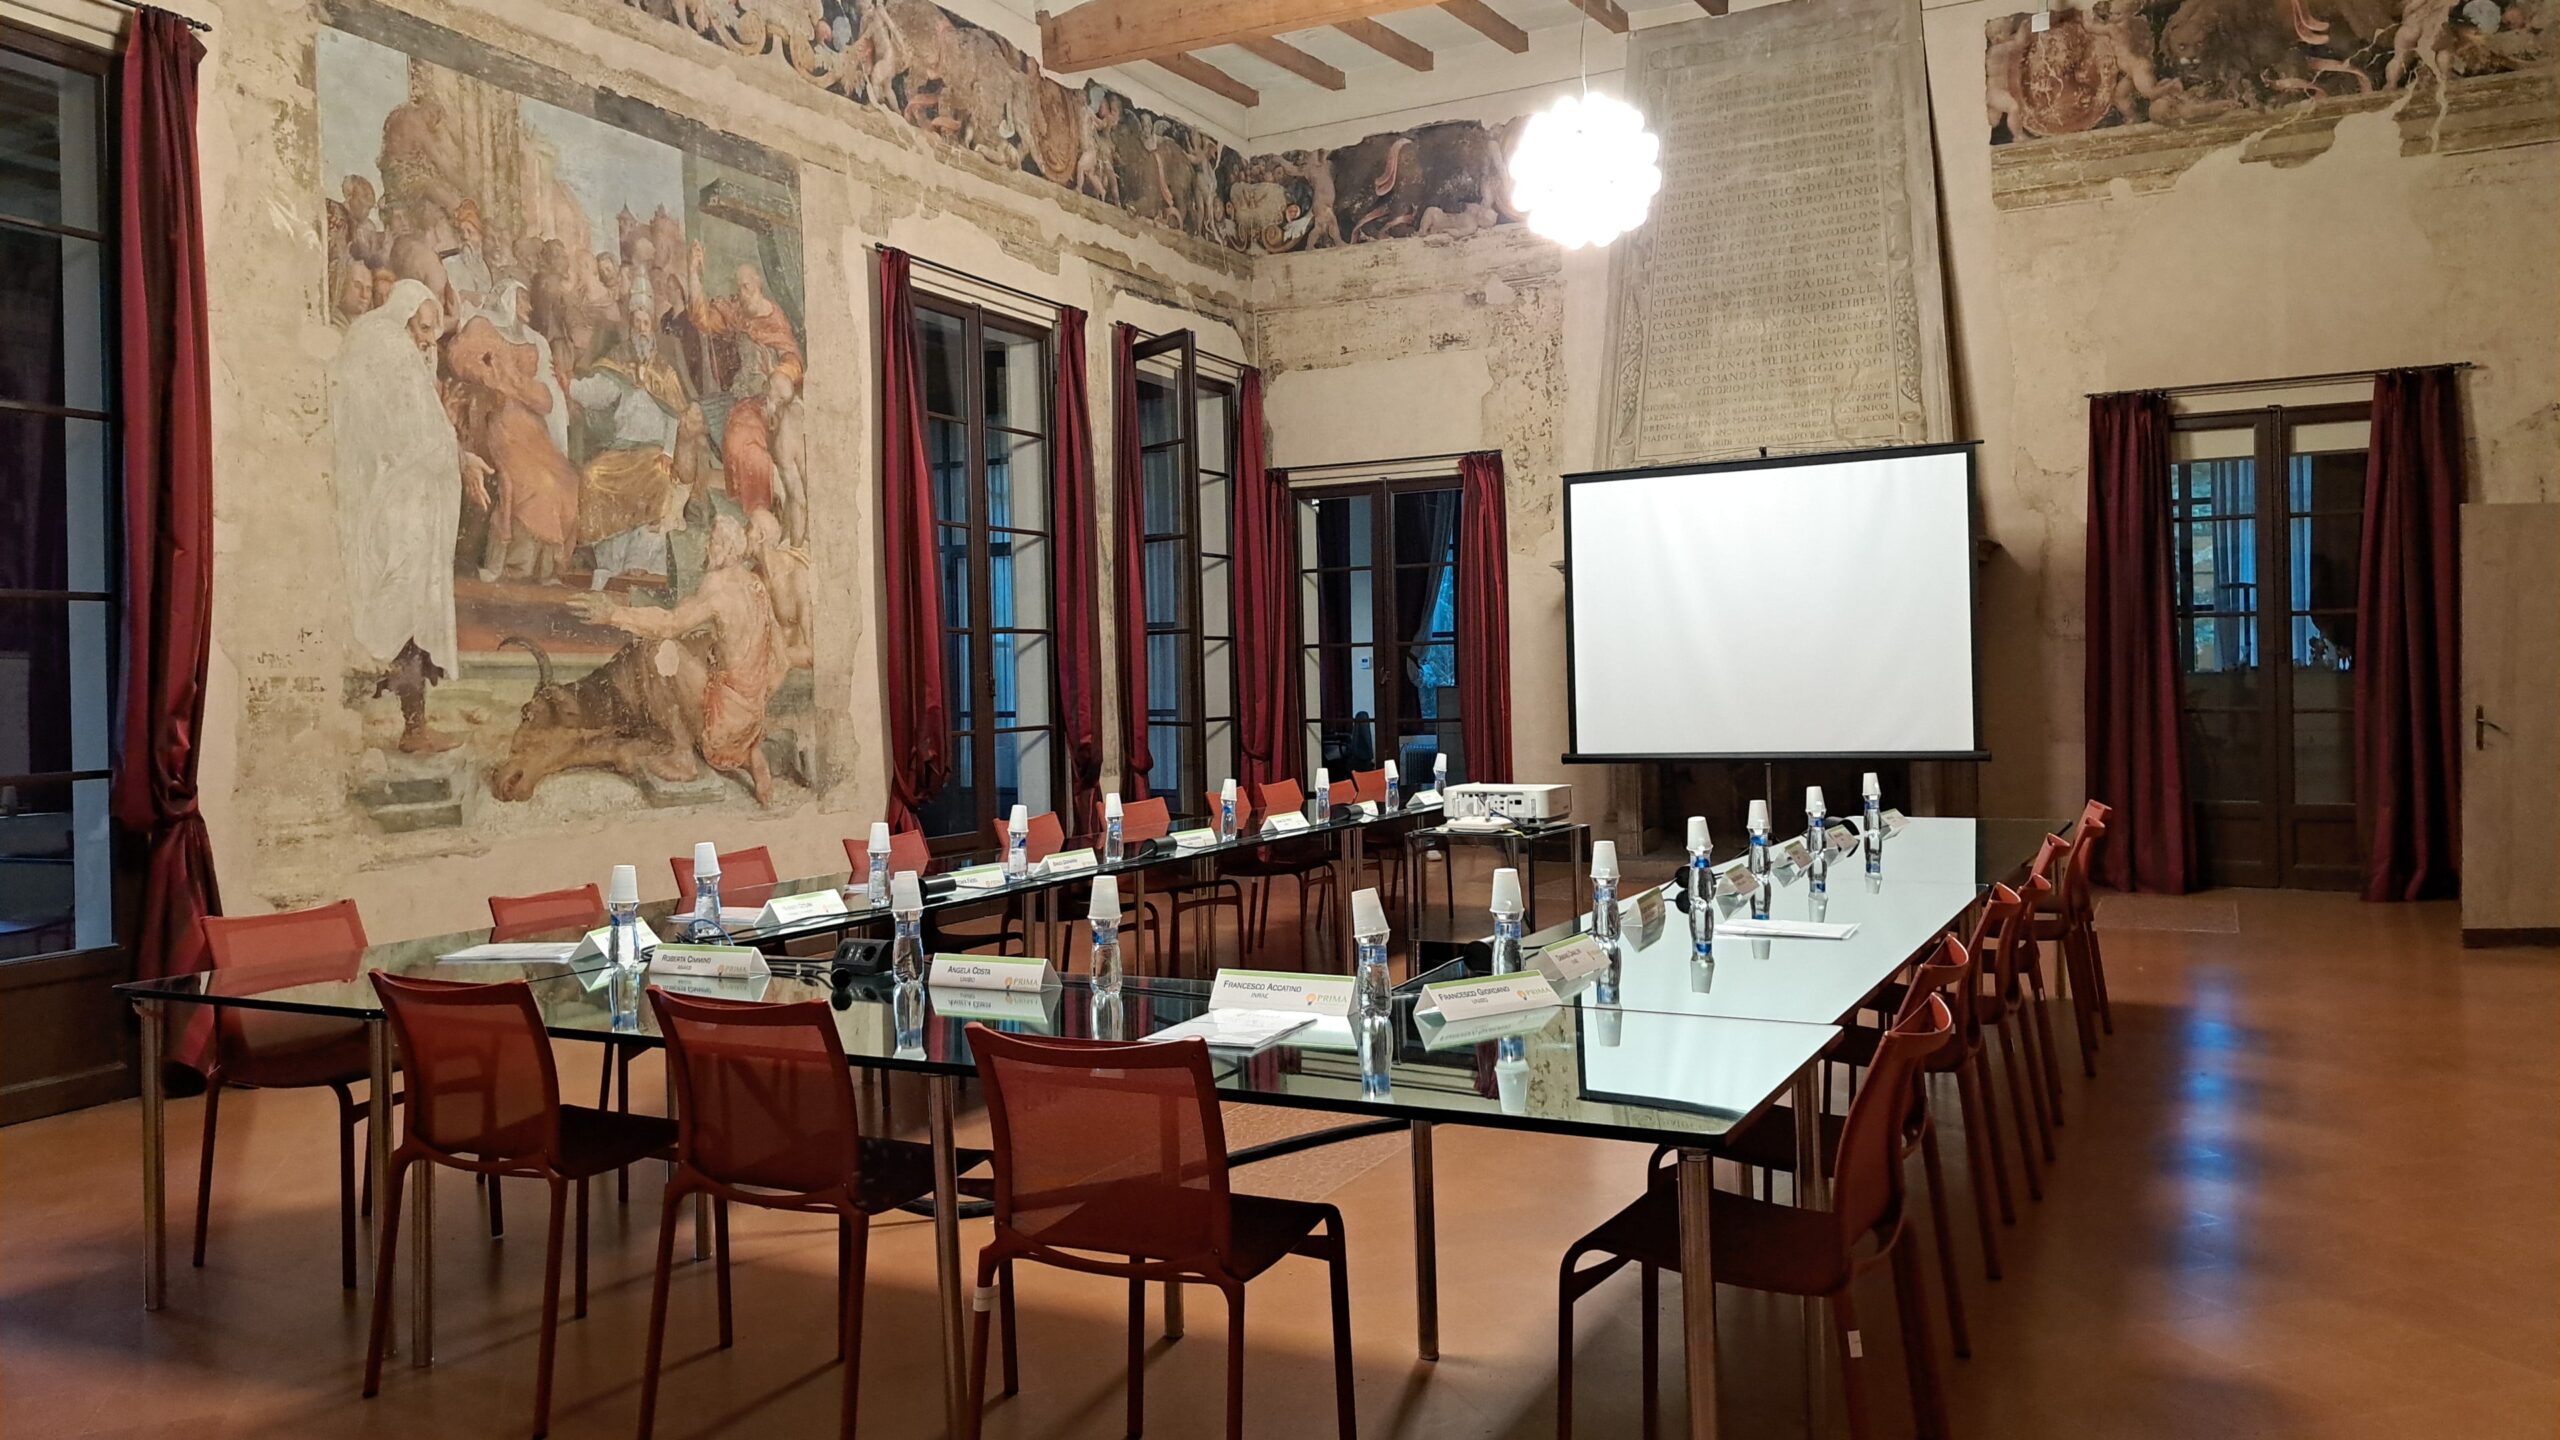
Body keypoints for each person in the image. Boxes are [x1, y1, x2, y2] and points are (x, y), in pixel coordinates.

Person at [330, 278, 491, 754]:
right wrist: (457, 458)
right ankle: (407, 728)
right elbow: (412, 440)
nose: (426, 342)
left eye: (432, 333)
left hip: (404, 507)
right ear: (403, 316)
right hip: (394, 511)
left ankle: (411, 725)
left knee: (407, 613)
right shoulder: (390, 352)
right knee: (400, 610)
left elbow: (427, 433)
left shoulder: (388, 348)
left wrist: (460, 457)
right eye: (422, 329)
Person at [570, 513, 788, 804]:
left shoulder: (717, 584)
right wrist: (753, 701)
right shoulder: (755, 585)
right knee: (700, 647)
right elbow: (783, 662)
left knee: (656, 650)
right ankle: (751, 755)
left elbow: (670, 624)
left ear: (726, 548)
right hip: (749, 720)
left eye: (713, 542)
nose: (707, 548)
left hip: (722, 719)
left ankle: (681, 754)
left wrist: (613, 614)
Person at [568, 300, 694, 587]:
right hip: (620, 451)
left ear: (653, 328)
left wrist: (668, 452)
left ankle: (639, 559)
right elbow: (596, 394)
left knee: (661, 480)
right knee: (591, 477)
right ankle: (608, 562)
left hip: (652, 452)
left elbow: (674, 416)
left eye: (645, 323)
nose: (641, 329)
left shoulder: (664, 371)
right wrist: (570, 385)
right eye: (636, 323)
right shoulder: (619, 364)